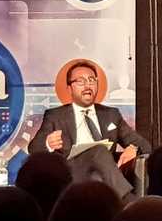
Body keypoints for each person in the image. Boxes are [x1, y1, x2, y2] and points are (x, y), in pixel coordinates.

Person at [27, 60, 151, 201]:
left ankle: (113, 202)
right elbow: (33, 149)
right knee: (99, 151)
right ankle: (127, 201)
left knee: (99, 162)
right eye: (81, 81)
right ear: (69, 88)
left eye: (91, 80)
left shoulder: (111, 114)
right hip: (72, 175)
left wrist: (133, 148)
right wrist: (48, 143)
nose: (87, 86)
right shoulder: (55, 116)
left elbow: (145, 145)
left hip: (104, 175)